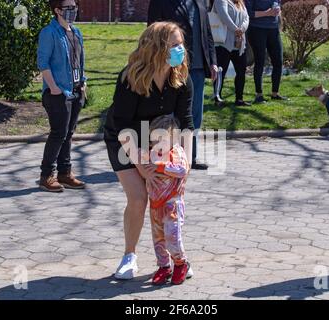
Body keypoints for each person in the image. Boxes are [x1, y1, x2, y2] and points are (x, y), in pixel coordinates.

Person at [103, 22, 194, 280]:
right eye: (174, 45)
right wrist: (141, 162)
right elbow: (121, 125)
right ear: (157, 48)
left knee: (168, 203)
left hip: (161, 144)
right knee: (139, 197)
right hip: (124, 140)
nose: (181, 50)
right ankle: (129, 256)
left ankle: (178, 260)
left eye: (181, 44)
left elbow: (186, 123)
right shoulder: (131, 77)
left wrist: (185, 163)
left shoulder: (181, 78)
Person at [148, 0, 218, 170]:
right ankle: (166, 157)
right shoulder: (160, 3)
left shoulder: (200, 2)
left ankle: (190, 157)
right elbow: (152, 35)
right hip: (172, 68)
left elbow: (206, 32)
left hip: (198, 68)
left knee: (194, 115)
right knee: (171, 114)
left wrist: (213, 62)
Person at [37, 0, 87, 192]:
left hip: (76, 90)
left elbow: (79, 60)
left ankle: (65, 173)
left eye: (74, 7)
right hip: (58, 93)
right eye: (67, 8)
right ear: (57, 10)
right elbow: (43, 63)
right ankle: (46, 175)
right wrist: (54, 88)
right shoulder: (49, 33)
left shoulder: (76, 32)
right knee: (58, 133)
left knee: (69, 133)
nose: (72, 11)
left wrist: (83, 82)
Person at [141, 115, 192, 285]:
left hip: (172, 203)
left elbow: (182, 170)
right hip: (155, 203)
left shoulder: (176, 152)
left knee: (172, 236)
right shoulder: (152, 153)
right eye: (155, 140)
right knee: (158, 238)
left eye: (162, 140)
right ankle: (164, 266)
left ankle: (180, 263)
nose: (158, 144)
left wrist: (160, 167)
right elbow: (145, 166)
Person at [246, 0, 288, 104]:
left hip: (273, 29)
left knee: (278, 61)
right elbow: (249, 13)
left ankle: (275, 93)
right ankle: (259, 95)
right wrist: (267, 13)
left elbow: (277, 6)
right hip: (257, 29)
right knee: (260, 61)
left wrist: (278, 13)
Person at [212, 0, 250, 107]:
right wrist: (236, 29)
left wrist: (242, 29)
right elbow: (224, 15)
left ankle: (239, 99)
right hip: (224, 43)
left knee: (241, 71)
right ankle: (217, 98)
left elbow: (246, 17)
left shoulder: (240, 2)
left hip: (239, 44)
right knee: (220, 73)